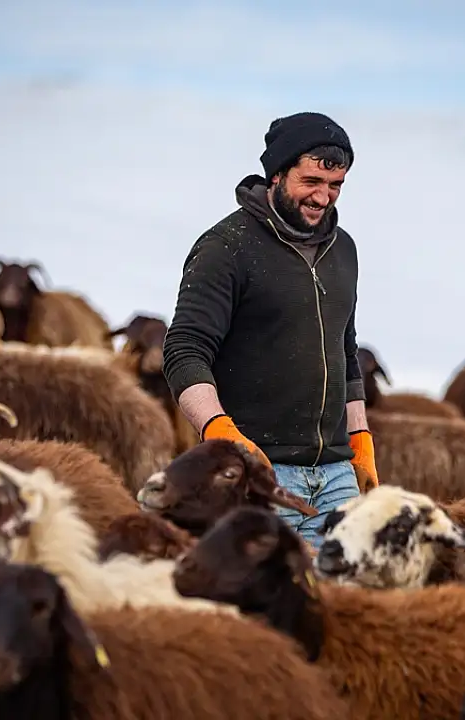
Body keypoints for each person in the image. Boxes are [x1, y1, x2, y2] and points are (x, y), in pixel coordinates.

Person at [162, 111, 378, 549]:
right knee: (257, 591)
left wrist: (360, 437)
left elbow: (346, 350)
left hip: (337, 476)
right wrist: (219, 431)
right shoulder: (226, 247)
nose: (323, 197)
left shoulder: (344, 250)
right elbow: (184, 350)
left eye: (335, 185)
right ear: (276, 174)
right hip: (257, 474)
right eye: (311, 181)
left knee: (342, 593)